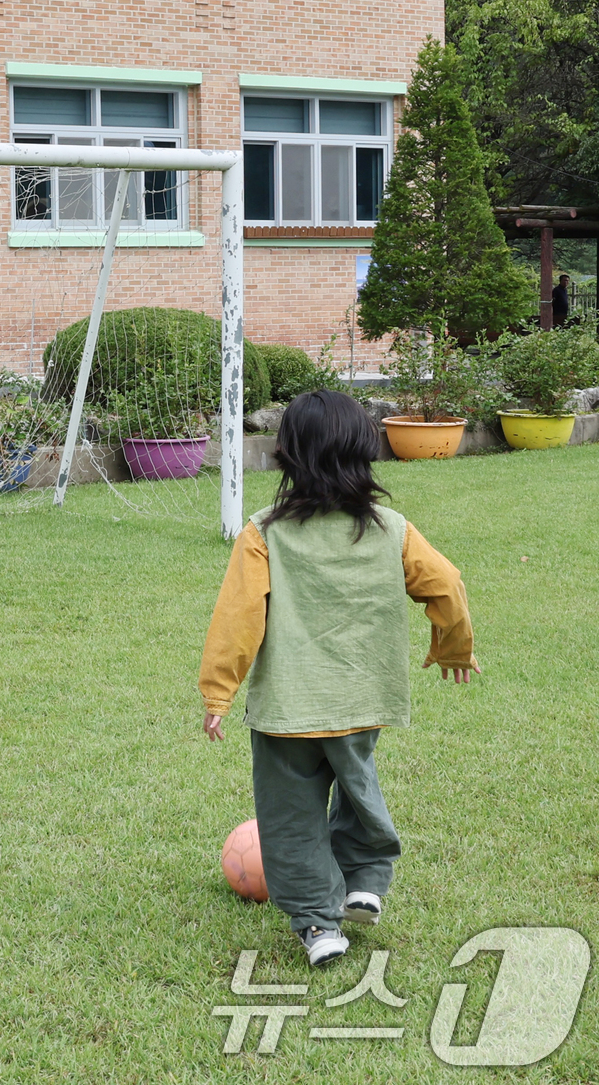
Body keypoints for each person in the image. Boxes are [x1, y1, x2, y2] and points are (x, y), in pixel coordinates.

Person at [197, 390, 479, 967]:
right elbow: (445, 585)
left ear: (286, 456)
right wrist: (452, 645)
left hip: (287, 713)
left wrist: (218, 692)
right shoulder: (393, 529)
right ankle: (365, 882)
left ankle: (318, 926)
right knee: (357, 788)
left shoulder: (264, 533)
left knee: (291, 816)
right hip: (362, 701)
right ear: (364, 451)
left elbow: (237, 620)